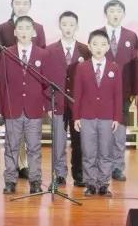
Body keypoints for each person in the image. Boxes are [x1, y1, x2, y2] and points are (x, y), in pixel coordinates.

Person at [0, 16, 47, 195]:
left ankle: (35, 181)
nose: (24, 31)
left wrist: (45, 106)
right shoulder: (6, 53)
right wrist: (1, 110)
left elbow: (46, 84)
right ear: (15, 32)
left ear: (33, 32)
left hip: (34, 108)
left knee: (34, 147)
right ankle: (10, 181)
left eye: (28, 28)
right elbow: (2, 84)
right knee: (11, 146)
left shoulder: (42, 54)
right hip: (13, 108)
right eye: (21, 28)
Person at [73, 30, 122, 197]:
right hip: (86, 116)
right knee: (88, 152)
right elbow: (78, 94)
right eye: (95, 44)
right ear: (89, 46)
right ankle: (91, 183)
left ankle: (103, 184)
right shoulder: (82, 67)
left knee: (106, 152)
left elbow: (118, 95)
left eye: (102, 44)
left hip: (107, 117)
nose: (99, 48)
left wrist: (117, 117)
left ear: (108, 47)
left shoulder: (114, 68)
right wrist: (76, 117)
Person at [45, 11, 90, 187]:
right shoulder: (49, 50)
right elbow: (45, 79)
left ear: (77, 26)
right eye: (64, 24)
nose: (68, 28)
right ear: (60, 26)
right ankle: (59, 174)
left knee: (79, 140)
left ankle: (79, 174)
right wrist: (48, 104)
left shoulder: (85, 50)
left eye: (71, 24)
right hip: (57, 102)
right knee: (58, 141)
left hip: (78, 104)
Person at [101, 0, 138, 182]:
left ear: (123, 14)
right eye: (111, 11)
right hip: (102, 91)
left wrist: (135, 91)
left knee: (120, 130)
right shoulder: (98, 34)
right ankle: (104, 165)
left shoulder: (131, 36)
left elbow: (134, 65)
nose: (115, 14)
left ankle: (117, 167)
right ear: (106, 13)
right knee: (103, 129)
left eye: (118, 11)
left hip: (124, 91)